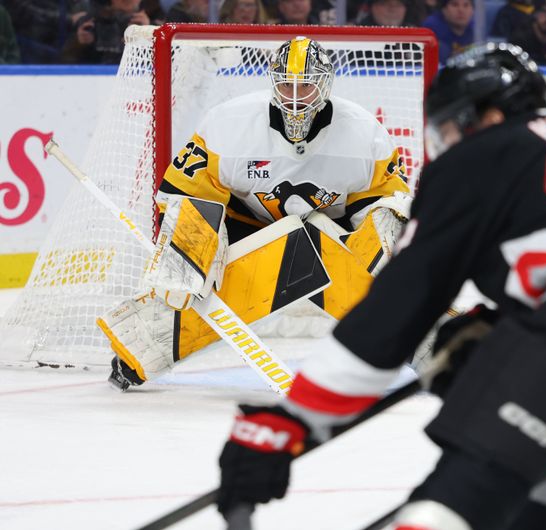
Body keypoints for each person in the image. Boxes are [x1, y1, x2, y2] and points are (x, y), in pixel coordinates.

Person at [215, 42, 546, 530]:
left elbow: (403, 299)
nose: (447, 142)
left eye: (451, 126)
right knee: (535, 443)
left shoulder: (482, 154)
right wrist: (503, 333)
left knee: (470, 474)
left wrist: (293, 419)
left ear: (489, 116)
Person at [98, 36, 411, 391]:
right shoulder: (229, 124)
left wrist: (393, 255)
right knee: (188, 275)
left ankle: (436, 344)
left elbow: (386, 202)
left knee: (392, 255)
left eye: (306, 86)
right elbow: (182, 194)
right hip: (246, 230)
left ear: (324, 85)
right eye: (287, 85)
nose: (295, 97)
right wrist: (188, 253)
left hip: (326, 234)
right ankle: (141, 350)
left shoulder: (365, 134)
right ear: (273, 82)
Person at [61, 0, 151, 64]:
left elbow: (152, 67)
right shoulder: (92, 20)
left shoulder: (147, 26)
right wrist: (78, 44)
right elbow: (62, 63)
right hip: (93, 75)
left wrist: (147, 38)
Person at [422, 0, 475, 64]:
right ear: (444, 9)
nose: (461, 10)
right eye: (455, 5)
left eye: (466, 5)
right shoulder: (430, 29)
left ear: (473, 11)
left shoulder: (478, 29)